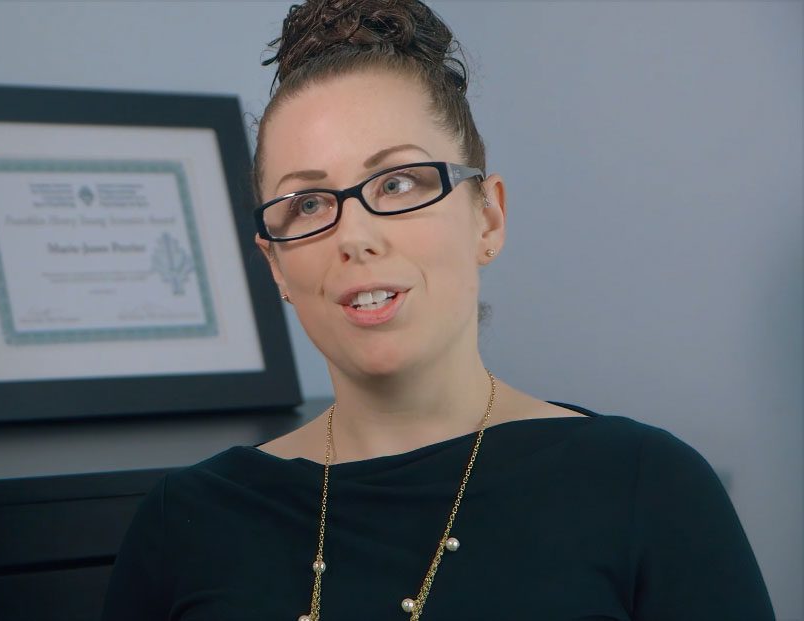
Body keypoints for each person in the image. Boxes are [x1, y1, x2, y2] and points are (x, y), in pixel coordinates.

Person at [100, 1, 775, 619]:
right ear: (274, 263)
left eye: (397, 182)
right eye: (307, 203)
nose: (354, 235)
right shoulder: (185, 521)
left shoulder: (647, 486)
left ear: (488, 218)